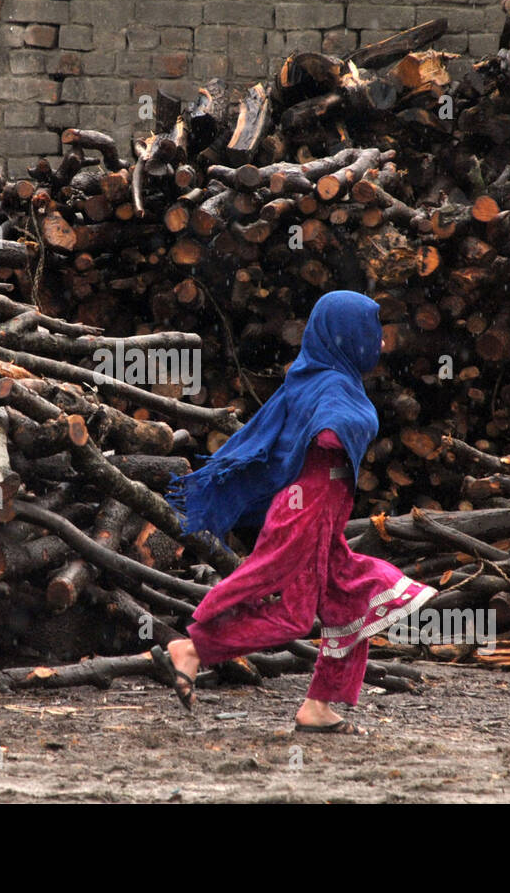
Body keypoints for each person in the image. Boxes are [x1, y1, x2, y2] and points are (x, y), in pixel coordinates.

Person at [165, 290, 436, 734]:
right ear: (348, 335)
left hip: (319, 510)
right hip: (306, 510)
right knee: (293, 615)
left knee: (352, 598)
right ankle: (193, 649)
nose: (381, 344)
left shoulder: (316, 377)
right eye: (371, 332)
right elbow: (327, 437)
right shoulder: (331, 385)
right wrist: (346, 425)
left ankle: (319, 705)